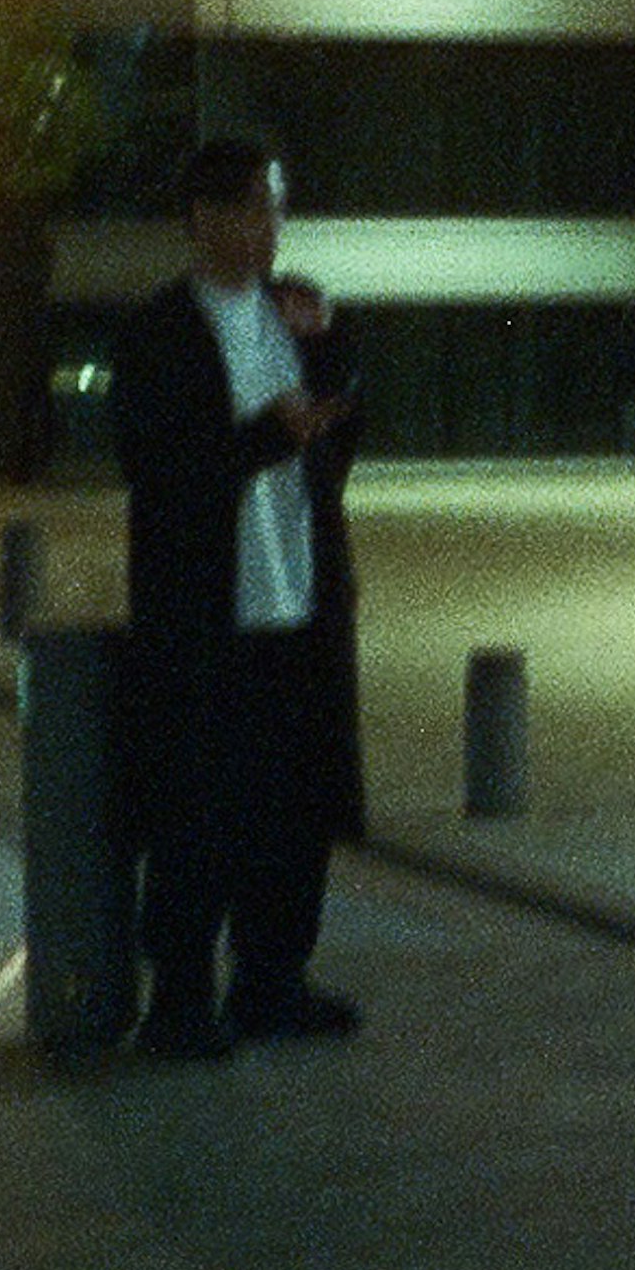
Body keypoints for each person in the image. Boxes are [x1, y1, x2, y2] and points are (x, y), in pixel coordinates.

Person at [107, 141, 356, 1060]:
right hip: (207, 613)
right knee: (196, 808)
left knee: (291, 808)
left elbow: (341, 436)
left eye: (279, 208)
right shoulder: (160, 332)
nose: (271, 228)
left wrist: (331, 361)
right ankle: (178, 997)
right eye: (255, 207)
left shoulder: (291, 317)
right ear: (204, 217)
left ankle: (273, 979)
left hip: (298, 599)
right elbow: (159, 474)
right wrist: (261, 437)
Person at [271, 266, 369, 846]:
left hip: (315, 538)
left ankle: (329, 805)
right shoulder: (329, 367)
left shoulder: (331, 363)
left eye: (296, 309)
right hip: (311, 536)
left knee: (323, 674)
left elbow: (322, 426)